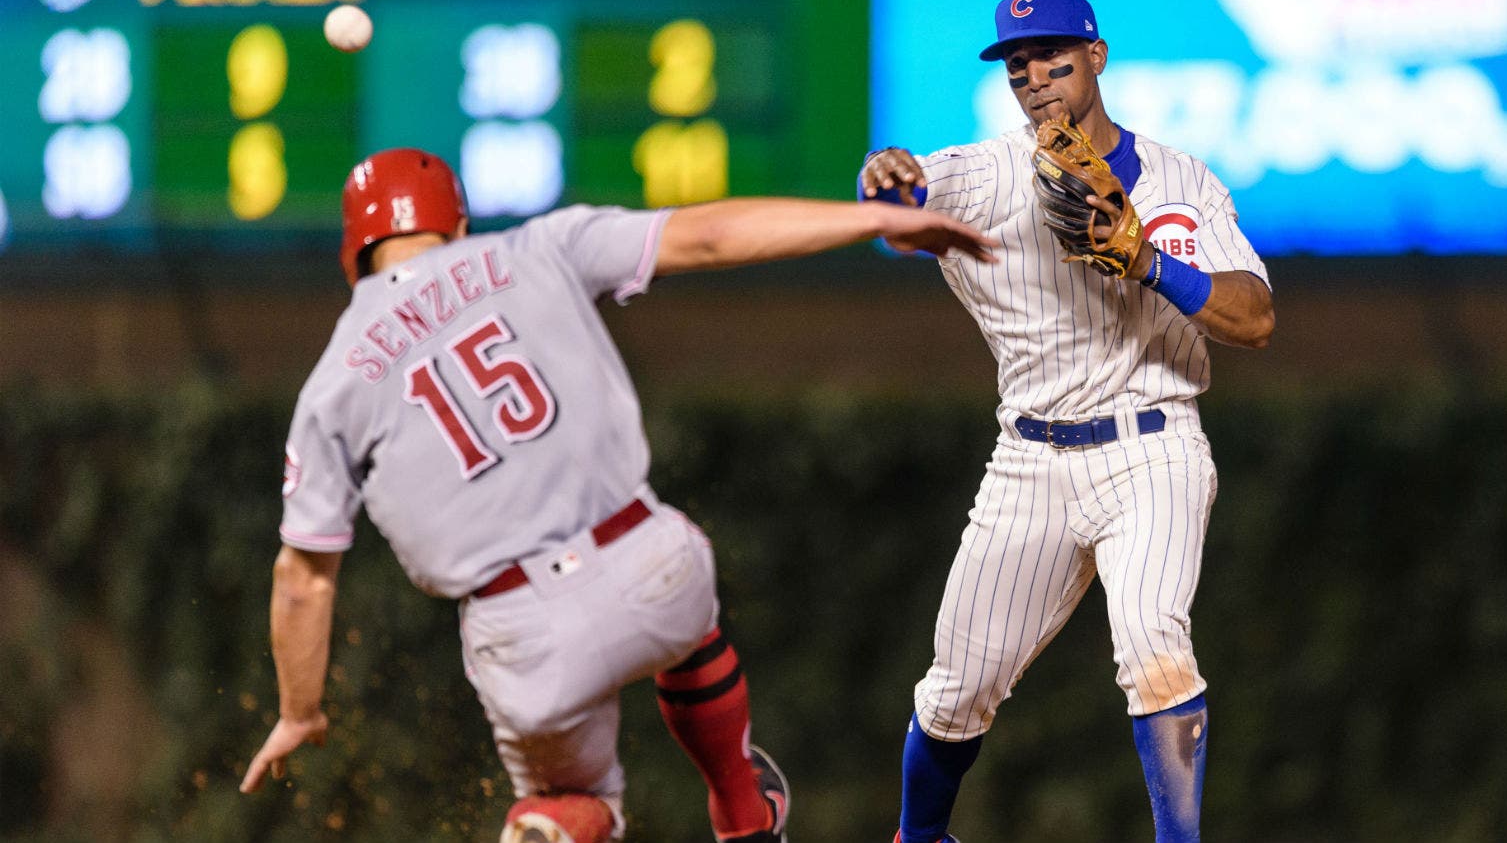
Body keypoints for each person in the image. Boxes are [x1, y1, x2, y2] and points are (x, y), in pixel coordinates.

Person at [237, 147, 997, 843]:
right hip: (647, 562)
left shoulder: (331, 385)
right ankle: (741, 806)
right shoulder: (535, 248)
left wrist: (300, 713)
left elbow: (303, 579)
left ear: (353, 252)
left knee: (576, 797)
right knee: (688, 619)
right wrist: (872, 218)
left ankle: (549, 825)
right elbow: (708, 236)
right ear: (458, 223)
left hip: (519, 633)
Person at [857, 0, 1275, 843]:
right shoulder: (990, 172)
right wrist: (889, 179)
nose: (1036, 76)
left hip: (1154, 444)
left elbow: (1255, 319)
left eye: (1053, 56)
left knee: (1155, 646)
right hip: (1031, 462)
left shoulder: (1182, 179)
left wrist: (1150, 261)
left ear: (1097, 56)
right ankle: (919, 837)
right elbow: (902, 213)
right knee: (955, 690)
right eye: (1019, 66)